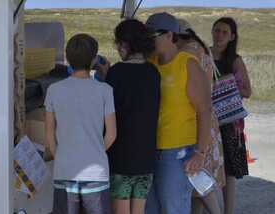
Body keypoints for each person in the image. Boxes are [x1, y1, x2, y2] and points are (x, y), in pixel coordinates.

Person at [144, 12, 213, 214]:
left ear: (169, 35)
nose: (148, 41)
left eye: (152, 35)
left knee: (174, 208)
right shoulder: (150, 64)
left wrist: (200, 153)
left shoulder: (188, 64)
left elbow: (205, 110)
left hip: (177, 153)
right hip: (150, 150)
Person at [45, 33, 117, 214]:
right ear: (94, 60)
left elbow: (49, 134)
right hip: (96, 172)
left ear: (67, 58)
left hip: (64, 170)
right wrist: (95, 151)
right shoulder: (105, 90)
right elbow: (111, 134)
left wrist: (60, 155)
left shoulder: (54, 90)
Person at [104, 19, 160, 214]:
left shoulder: (116, 72)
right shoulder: (153, 72)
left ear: (126, 44)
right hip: (146, 157)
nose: (118, 48)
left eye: (119, 43)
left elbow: (108, 111)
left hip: (122, 156)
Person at [177, 19, 226, 214]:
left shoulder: (187, 52)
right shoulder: (202, 48)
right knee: (200, 183)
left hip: (196, 119)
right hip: (208, 118)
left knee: (198, 178)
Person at [210, 17, 252, 214]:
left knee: (229, 171)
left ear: (232, 37)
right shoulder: (203, 54)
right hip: (206, 120)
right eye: (217, 30)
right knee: (205, 167)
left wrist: (225, 85)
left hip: (228, 122)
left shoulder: (235, 60)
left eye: (224, 32)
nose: (219, 35)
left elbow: (247, 91)